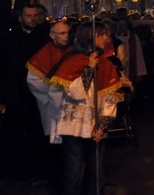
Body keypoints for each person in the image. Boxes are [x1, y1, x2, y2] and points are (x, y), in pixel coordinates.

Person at [50, 22, 123, 195]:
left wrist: (103, 124)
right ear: (89, 36)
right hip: (74, 126)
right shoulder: (72, 60)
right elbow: (74, 92)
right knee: (73, 172)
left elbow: (109, 99)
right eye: (102, 34)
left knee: (97, 172)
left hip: (96, 127)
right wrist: (89, 68)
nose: (107, 38)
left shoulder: (105, 63)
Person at [0, 4, 51, 185]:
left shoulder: (44, 39)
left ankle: (37, 172)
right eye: (28, 15)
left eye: (35, 15)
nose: (32, 19)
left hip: (38, 96)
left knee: (36, 134)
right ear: (21, 18)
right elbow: (1, 65)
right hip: (16, 95)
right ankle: (14, 173)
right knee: (14, 134)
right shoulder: (11, 39)